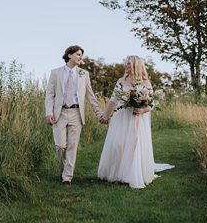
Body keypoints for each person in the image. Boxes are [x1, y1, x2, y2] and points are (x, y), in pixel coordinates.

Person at [97, 55, 173, 189]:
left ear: (136, 66)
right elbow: (113, 100)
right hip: (121, 117)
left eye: (129, 64)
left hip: (137, 118)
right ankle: (115, 173)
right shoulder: (121, 80)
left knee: (134, 146)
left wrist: (143, 110)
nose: (126, 66)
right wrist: (106, 115)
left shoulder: (145, 82)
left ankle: (129, 175)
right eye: (125, 63)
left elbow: (152, 103)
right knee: (117, 144)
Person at [45, 45, 104, 185]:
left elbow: (90, 96)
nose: (80, 58)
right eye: (78, 54)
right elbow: (49, 95)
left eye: (81, 55)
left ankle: (67, 177)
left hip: (76, 113)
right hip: (59, 113)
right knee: (60, 146)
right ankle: (62, 170)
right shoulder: (56, 73)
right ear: (69, 55)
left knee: (72, 146)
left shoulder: (84, 74)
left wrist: (100, 113)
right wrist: (48, 112)